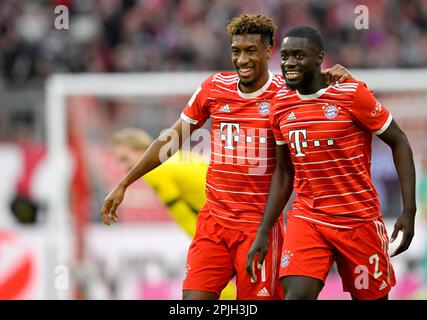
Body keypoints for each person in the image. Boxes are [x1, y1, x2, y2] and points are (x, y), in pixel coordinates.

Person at [101, 15, 354, 300]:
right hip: (214, 223)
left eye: (250, 51)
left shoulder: (287, 93)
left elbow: (340, 106)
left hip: (259, 227)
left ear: (268, 51)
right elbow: (170, 140)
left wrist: (344, 80)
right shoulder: (213, 88)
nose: (242, 59)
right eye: (236, 51)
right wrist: (125, 182)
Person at [246, 26, 416, 300]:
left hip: (358, 221)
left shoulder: (351, 95)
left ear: (319, 58)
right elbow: (284, 172)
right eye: (286, 56)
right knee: (296, 296)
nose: (289, 62)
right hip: (308, 219)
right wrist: (263, 231)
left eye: (299, 55)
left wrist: (409, 211)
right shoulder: (280, 106)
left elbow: (399, 142)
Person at [111, 127, 236, 299]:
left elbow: (181, 213)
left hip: (225, 219)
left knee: (211, 281)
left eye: (125, 159)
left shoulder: (155, 171)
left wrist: (201, 242)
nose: (124, 167)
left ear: (141, 151)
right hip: (238, 208)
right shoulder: (173, 156)